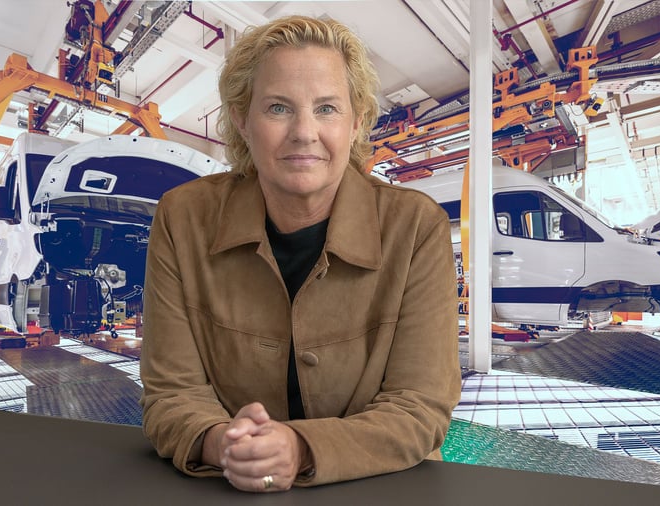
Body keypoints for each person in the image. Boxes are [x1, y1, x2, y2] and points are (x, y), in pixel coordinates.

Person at [140, 15, 461, 492]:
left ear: (356, 122)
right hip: (229, 486)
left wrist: (299, 449)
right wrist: (225, 444)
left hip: (383, 487)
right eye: (278, 108)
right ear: (242, 120)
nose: (304, 132)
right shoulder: (182, 218)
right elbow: (171, 395)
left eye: (327, 108)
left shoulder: (416, 227)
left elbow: (419, 407)